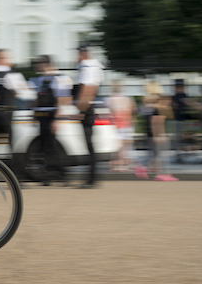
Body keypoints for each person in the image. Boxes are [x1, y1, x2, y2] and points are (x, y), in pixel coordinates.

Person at [28, 55, 73, 185]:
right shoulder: (39, 79)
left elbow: (60, 100)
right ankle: (49, 175)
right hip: (42, 116)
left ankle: (62, 174)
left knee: (53, 146)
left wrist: (56, 119)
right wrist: (34, 114)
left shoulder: (57, 79)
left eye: (38, 63)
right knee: (45, 146)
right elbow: (37, 98)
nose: (36, 66)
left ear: (45, 64)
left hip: (51, 116)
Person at [0, 49, 31, 161]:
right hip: (6, 111)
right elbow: (19, 92)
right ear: (1, 59)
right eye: (8, 58)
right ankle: (14, 169)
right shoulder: (11, 74)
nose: (11, 61)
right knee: (10, 141)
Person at [134, 82, 178, 181]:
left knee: (155, 154)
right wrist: (158, 135)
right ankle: (160, 172)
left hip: (150, 132)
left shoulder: (147, 102)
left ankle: (149, 169)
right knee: (159, 154)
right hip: (156, 133)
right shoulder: (157, 105)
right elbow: (156, 121)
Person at [74, 45, 104, 188]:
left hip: (86, 108)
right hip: (89, 107)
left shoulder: (85, 66)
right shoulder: (96, 66)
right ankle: (92, 178)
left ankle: (91, 180)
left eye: (78, 54)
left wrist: (81, 109)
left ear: (82, 54)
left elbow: (87, 89)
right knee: (90, 144)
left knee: (89, 145)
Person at [107, 80, 135, 172]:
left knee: (117, 147)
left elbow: (108, 113)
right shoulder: (127, 99)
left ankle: (118, 164)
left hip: (116, 126)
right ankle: (126, 163)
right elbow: (133, 110)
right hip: (127, 125)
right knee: (126, 147)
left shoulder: (110, 99)